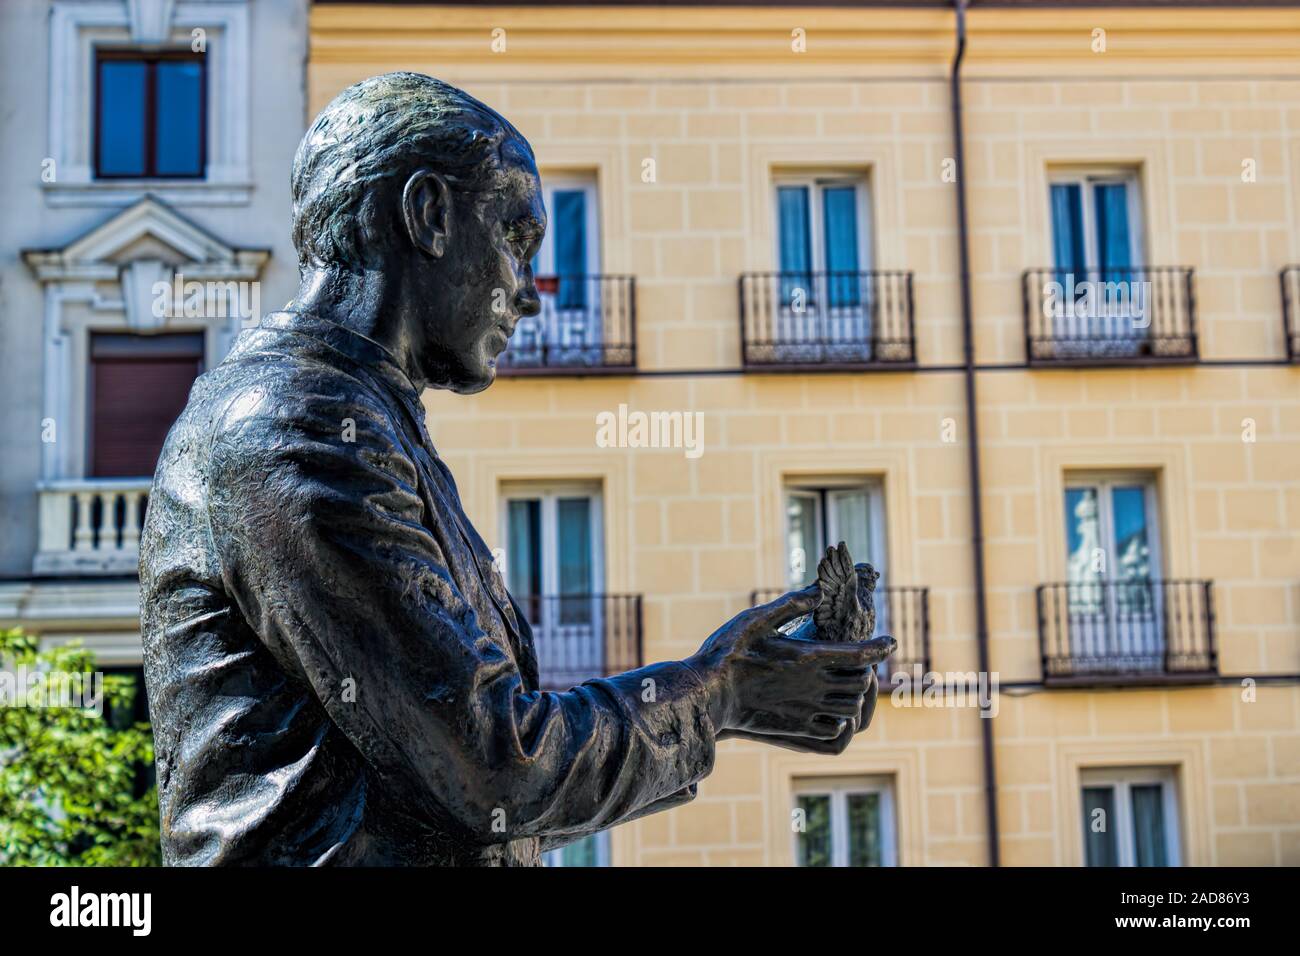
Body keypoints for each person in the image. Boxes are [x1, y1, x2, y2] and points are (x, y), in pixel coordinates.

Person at [139, 72, 893, 866]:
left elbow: (481, 804)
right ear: (428, 215)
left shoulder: (366, 423)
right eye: (516, 239)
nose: (528, 294)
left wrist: (738, 695)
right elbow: (494, 767)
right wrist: (721, 694)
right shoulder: (294, 427)